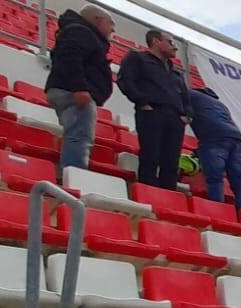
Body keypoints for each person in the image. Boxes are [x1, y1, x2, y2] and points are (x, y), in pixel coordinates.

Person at [117, 29, 191, 190]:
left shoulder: (176, 72)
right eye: (170, 42)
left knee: (171, 162)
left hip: (175, 119)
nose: (175, 48)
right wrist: (143, 102)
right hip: (152, 113)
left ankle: (168, 201)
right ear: (156, 41)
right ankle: (148, 195)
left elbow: (186, 97)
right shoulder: (137, 58)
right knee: (150, 156)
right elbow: (126, 81)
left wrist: (187, 115)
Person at [45, 4, 115, 174]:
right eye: (110, 23)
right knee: (80, 136)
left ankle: (70, 177)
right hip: (74, 91)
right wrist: (80, 88)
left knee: (76, 134)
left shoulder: (76, 31)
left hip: (67, 89)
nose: (113, 29)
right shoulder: (82, 32)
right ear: (98, 20)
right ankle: (74, 179)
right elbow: (71, 58)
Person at [187, 87, 241, 209]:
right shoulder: (220, 104)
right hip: (236, 138)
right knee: (239, 183)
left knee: (214, 178)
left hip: (214, 137)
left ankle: (218, 211)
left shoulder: (191, 95)